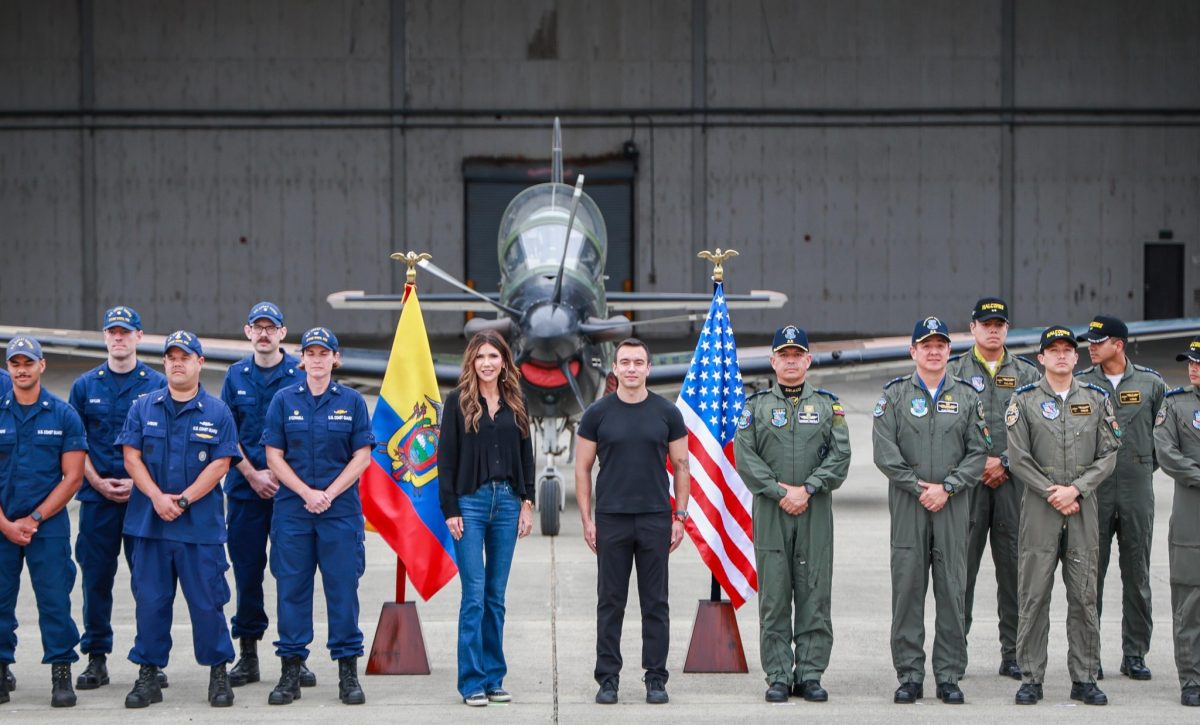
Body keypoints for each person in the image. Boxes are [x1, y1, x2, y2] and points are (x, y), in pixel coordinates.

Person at [117, 330, 241, 708]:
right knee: (151, 603)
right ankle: (149, 674)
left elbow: (221, 463)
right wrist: (157, 498)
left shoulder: (218, 412)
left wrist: (183, 501)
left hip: (198, 529)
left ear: (199, 363)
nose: (176, 362)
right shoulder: (143, 406)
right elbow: (131, 456)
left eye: (184, 357)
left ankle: (218, 673)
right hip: (150, 525)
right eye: (171, 357)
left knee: (207, 604)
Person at [872, 316, 987, 705]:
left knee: (953, 589)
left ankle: (950, 675)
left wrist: (949, 488)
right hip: (910, 505)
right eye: (926, 345)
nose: (934, 351)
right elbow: (885, 452)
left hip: (952, 506)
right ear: (913, 352)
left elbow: (978, 452)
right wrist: (920, 488)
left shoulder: (969, 397)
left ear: (949, 351)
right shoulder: (894, 396)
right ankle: (909, 675)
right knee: (907, 590)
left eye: (940, 345)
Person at [735, 325, 850, 703]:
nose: (790, 361)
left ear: (807, 360)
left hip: (814, 509)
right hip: (771, 510)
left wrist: (809, 488)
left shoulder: (828, 406)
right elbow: (745, 457)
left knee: (815, 590)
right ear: (772, 361)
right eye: (783, 355)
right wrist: (780, 491)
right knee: (775, 595)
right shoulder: (755, 409)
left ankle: (811, 674)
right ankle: (779, 675)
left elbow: (841, 455)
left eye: (796, 354)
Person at [1007, 325, 1121, 706]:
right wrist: (1052, 492)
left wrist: (1077, 489)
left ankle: (1085, 677)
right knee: (1033, 596)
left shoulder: (1097, 398)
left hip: (1082, 506)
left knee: (1084, 597)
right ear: (1040, 357)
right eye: (1052, 349)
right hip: (1041, 508)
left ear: (1076, 357)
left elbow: (1109, 453)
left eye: (1067, 349)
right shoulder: (1023, 401)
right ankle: (1031, 678)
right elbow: (1018, 458)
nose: (1060, 355)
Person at [262, 327, 373, 706]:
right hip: (294, 511)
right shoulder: (282, 400)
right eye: (311, 353)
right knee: (292, 591)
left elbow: (362, 456)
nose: (318, 359)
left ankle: (347, 673)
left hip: (339, 512)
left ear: (335, 358)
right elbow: (273, 455)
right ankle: (290, 671)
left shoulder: (353, 401)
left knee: (342, 591)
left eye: (324, 353)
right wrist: (306, 492)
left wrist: (328, 493)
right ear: (302, 358)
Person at [575, 338, 690, 705]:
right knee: (610, 602)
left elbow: (682, 466)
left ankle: (656, 678)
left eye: (638, 362)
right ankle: (607, 678)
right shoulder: (597, 413)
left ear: (648, 368)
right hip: (611, 519)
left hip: (656, 518)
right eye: (624, 362)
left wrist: (680, 516)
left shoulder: (667, 413)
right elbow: (582, 467)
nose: (631, 369)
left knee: (655, 603)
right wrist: (586, 519)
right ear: (614, 368)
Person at [67, 306, 166, 691]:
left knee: (149, 583)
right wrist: (97, 481)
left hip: (142, 501)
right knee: (96, 581)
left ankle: (151, 660)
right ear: (105, 337)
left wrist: (138, 484)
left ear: (139, 337)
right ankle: (96, 658)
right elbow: (75, 445)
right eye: (113, 332)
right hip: (96, 500)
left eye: (126, 332)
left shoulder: (156, 384)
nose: (119, 338)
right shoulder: (85, 386)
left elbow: (164, 445)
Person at [439, 331, 535, 706]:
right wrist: (450, 510)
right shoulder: (457, 402)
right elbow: (445, 460)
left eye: (494, 356)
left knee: (496, 598)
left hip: (508, 504)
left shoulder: (517, 401)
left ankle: (494, 678)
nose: (487, 363)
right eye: (480, 357)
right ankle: (471, 682)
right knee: (474, 597)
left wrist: (527, 502)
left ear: (504, 361)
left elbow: (527, 454)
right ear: (471, 362)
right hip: (471, 505)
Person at [946, 298, 1039, 680]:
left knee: (1014, 570)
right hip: (967, 485)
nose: (993, 329)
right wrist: (977, 464)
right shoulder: (952, 371)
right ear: (972, 328)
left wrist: (1003, 462)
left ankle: (1013, 653)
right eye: (986, 323)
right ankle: (954, 652)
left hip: (1012, 484)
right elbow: (946, 429)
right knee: (959, 571)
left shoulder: (1027, 372)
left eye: (1000, 323)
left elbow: (1036, 428)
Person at [219, 302, 306, 688]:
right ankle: (249, 655)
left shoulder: (298, 374)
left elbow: (307, 432)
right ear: (248, 331)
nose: (265, 333)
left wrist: (281, 475)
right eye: (258, 327)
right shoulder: (235, 376)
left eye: (272, 327)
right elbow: (225, 433)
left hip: (289, 494)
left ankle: (294, 656)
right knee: (247, 574)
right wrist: (252, 474)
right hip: (244, 491)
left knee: (293, 575)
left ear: (283, 334)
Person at [1075, 314, 1165, 680]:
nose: (1091, 346)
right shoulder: (1081, 384)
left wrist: (1140, 466)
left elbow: (1164, 438)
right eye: (1090, 341)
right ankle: (1090, 656)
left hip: (1136, 489)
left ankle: (1135, 653)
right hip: (1095, 491)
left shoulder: (1150, 383)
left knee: (1137, 576)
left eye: (1099, 341)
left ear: (1119, 345)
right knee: (1089, 578)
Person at [0, 336, 86, 707]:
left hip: (47, 526)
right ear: (8, 369)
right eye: (15, 363)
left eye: (28, 363)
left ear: (42, 365)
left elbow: (73, 477)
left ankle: (61, 671)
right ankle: (1, 668)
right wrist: (5, 524)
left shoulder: (63, 414)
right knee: (0, 601)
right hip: (1, 525)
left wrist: (34, 518)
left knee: (54, 600)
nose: (22, 369)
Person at [1151, 337, 1200, 707]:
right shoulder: (1175, 404)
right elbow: (1166, 453)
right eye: (1190, 362)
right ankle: (1192, 680)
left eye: (1199, 362)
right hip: (1190, 520)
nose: (1193, 367)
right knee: (1189, 602)